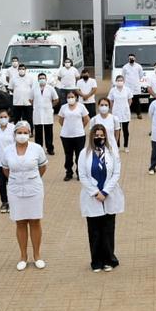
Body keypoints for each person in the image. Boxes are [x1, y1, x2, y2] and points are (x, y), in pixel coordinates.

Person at [78, 124, 125, 272]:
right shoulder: (84, 153)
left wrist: (105, 192)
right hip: (91, 196)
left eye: (102, 135)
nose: (99, 138)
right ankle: (96, 261)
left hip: (108, 195)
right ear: (92, 137)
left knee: (108, 229)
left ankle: (109, 259)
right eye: (96, 135)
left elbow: (116, 174)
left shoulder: (112, 153)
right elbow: (82, 176)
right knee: (94, 230)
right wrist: (95, 192)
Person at [2, 121, 48, 271]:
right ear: (14, 134)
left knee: (35, 221)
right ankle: (23, 256)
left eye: (25, 132)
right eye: (19, 133)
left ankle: (37, 255)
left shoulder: (37, 149)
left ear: (29, 133)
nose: (22, 135)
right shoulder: (8, 150)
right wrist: (17, 180)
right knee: (20, 222)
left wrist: (31, 179)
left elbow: (42, 167)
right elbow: (6, 170)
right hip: (15, 189)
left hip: (34, 188)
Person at [58, 90, 90, 181]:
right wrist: (67, 127)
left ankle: (79, 173)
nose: (70, 99)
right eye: (68, 97)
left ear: (76, 97)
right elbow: (60, 120)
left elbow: (86, 119)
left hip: (79, 135)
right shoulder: (63, 107)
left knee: (79, 155)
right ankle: (69, 172)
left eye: (72, 97)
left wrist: (80, 127)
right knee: (68, 155)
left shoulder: (81, 107)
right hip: (66, 136)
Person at [0, 109, 15, 213]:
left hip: (11, 160)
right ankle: (4, 202)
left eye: (5, 117)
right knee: (1, 183)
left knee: (11, 182)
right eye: (1, 117)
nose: (3, 119)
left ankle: (12, 202)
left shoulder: (13, 128)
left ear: (8, 118)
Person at [32, 73, 59, 156]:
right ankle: (38, 149)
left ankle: (50, 148)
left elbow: (56, 99)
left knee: (49, 132)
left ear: (46, 79)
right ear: (38, 79)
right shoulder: (34, 89)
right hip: (37, 113)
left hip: (47, 113)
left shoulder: (50, 88)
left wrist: (50, 106)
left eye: (43, 78)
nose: (42, 79)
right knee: (38, 133)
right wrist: (37, 105)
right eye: (40, 78)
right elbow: (30, 99)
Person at [108, 75, 133, 152]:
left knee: (125, 130)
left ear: (124, 81)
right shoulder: (113, 90)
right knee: (117, 130)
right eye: (118, 80)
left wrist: (127, 107)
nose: (120, 82)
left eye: (121, 80)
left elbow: (130, 100)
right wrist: (112, 108)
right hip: (116, 112)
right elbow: (110, 100)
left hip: (125, 112)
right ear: (116, 81)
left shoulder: (127, 90)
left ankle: (126, 146)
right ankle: (117, 146)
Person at [122, 54, 146, 120]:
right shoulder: (125, 67)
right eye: (130, 58)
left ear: (135, 59)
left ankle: (139, 114)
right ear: (128, 59)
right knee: (128, 102)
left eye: (132, 58)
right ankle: (127, 114)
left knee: (137, 101)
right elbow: (123, 76)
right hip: (128, 87)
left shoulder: (138, 66)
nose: (131, 59)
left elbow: (141, 75)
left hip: (136, 87)